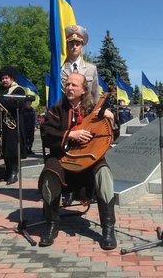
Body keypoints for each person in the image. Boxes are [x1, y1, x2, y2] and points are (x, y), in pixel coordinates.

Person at [38, 72, 119, 250]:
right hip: (61, 156)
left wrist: (111, 119)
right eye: (67, 84)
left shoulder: (93, 111)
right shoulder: (56, 109)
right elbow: (46, 134)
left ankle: (108, 229)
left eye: (74, 85)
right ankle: (51, 224)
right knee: (50, 173)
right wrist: (70, 134)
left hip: (89, 157)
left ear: (83, 90)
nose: (69, 87)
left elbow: (110, 135)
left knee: (104, 173)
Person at [0, 66, 27, 184]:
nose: (4, 80)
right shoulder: (1, 92)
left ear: (11, 78)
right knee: (5, 149)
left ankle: (14, 173)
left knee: (13, 149)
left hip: (14, 124)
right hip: (3, 125)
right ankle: (8, 171)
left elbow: (16, 104)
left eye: (6, 78)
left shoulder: (18, 90)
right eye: (2, 79)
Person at [61, 24, 99, 102]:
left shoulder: (91, 69)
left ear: (81, 46)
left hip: (87, 111)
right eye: (71, 44)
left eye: (77, 44)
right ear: (67, 46)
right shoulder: (61, 69)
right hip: (66, 111)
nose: (74, 47)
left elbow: (95, 95)